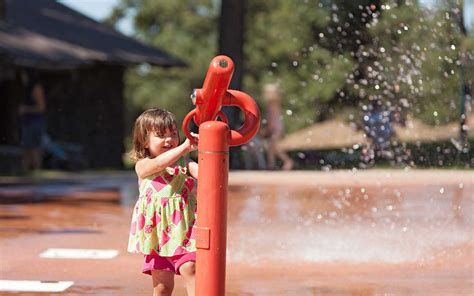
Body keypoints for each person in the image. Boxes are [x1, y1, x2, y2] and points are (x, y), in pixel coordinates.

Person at [127, 108, 199, 296]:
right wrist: (184, 146)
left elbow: (209, 175)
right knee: (162, 288)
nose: (169, 140)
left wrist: (211, 147)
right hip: (157, 234)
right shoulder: (143, 165)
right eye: (161, 136)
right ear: (144, 141)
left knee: (191, 269)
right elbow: (159, 164)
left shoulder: (185, 164)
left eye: (173, 134)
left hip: (184, 229)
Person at [261, 82, 293, 170]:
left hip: (275, 127)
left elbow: (271, 118)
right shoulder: (275, 103)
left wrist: (268, 128)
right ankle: (273, 164)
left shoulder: (272, 104)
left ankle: (280, 163)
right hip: (277, 126)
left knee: (272, 147)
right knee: (272, 147)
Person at [19, 70, 46, 171]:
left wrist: (25, 109)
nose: (23, 78)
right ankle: (25, 172)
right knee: (26, 149)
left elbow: (42, 107)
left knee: (34, 149)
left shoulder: (36, 88)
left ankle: (37, 171)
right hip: (28, 123)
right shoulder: (28, 89)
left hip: (34, 123)